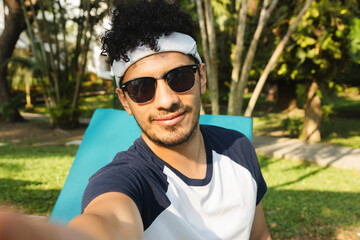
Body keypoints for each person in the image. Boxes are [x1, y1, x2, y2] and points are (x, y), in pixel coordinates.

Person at [0, 0, 271, 239]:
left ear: (201, 78)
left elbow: (258, 235)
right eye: (142, 88)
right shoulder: (129, 180)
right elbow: (111, 221)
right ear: (125, 100)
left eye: (180, 78)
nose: (166, 101)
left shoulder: (238, 147)